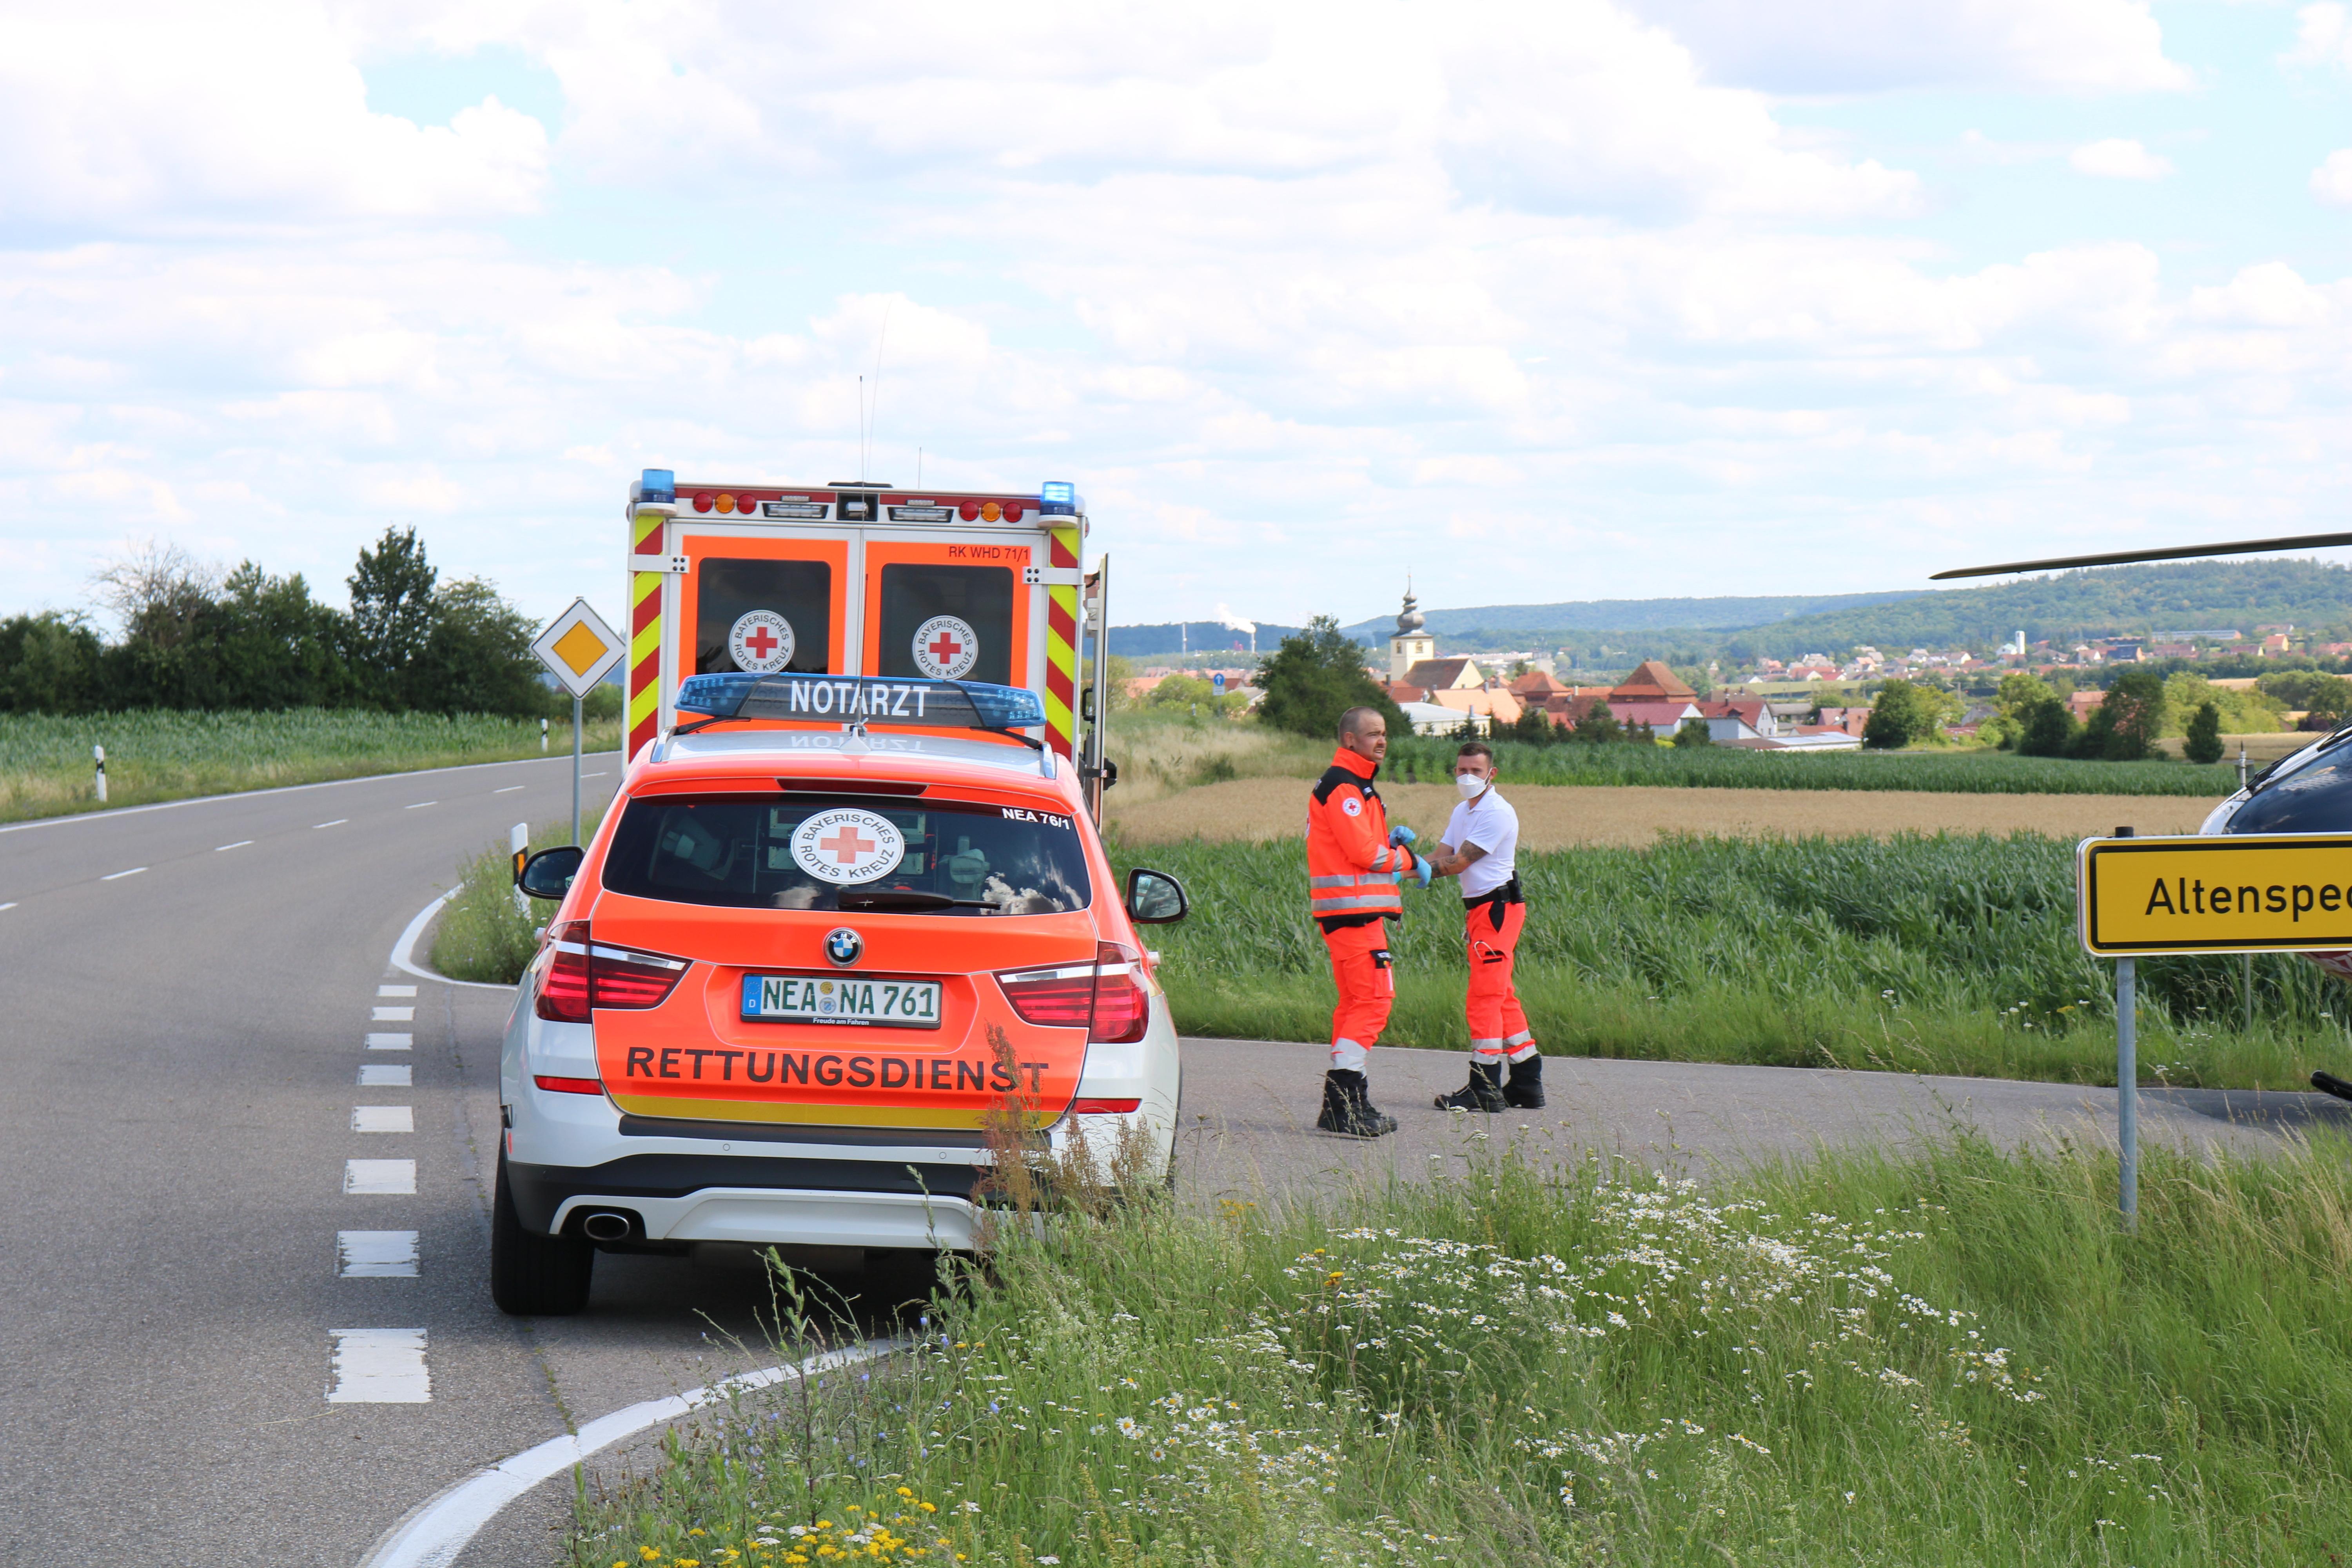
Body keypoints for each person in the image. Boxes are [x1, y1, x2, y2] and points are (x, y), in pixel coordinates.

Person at [1305, 705, 1431, 1136]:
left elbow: (1362, 849)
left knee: (1355, 1005)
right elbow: (1365, 855)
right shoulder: (1346, 787)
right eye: (1373, 734)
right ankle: (1345, 1102)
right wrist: (1408, 859)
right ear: (1349, 740)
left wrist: (1388, 846)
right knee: (1375, 1001)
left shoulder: (1356, 785)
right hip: (1353, 913)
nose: (1381, 740)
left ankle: (1344, 1104)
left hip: (1352, 912)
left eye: (1384, 734)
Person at [1423, 740, 1544, 1112]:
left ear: (1491, 774)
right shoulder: (1462, 811)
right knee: (1502, 994)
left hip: (1498, 910)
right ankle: (1526, 1080)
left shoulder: (1497, 813)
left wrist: (1408, 873)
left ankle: (1484, 1086)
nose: (1467, 776)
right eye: (1461, 770)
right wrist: (1396, 864)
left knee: (1484, 998)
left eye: (1475, 771)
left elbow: (1459, 863)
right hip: (1480, 911)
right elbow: (1440, 855)